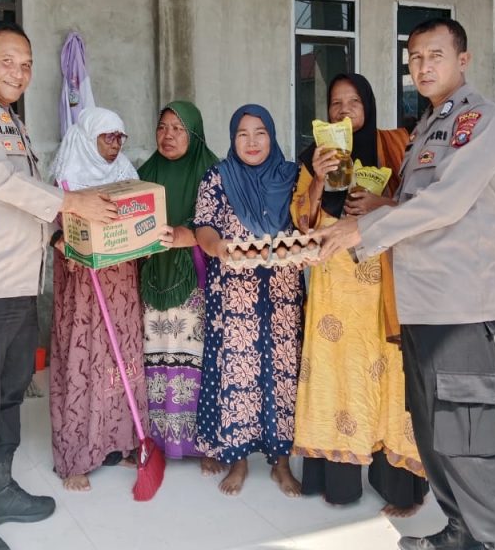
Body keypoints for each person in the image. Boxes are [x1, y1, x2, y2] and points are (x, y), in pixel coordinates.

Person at [317, 18, 495, 550]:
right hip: (416, 305)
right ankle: (460, 533)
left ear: (463, 60)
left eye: (436, 55)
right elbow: (416, 206)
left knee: (468, 438)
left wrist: (363, 228)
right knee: (434, 434)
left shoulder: (480, 121)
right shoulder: (429, 127)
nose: (424, 66)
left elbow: (447, 203)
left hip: (456, 307)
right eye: (414, 58)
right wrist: (383, 204)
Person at [0, 20, 118, 550]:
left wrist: (58, 234)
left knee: (9, 396)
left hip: (16, 286)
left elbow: (22, 199)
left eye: (27, 65)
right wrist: (72, 204)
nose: (19, 73)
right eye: (7, 62)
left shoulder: (9, 120)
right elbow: (1, 183)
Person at [291, 74, 427, 513]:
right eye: (335, 103)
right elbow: (302, 222)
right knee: (337, 374)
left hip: (385, 286)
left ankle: (398, 487)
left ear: (368, 105)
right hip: (334, 289)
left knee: (390, 376)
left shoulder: (396, 144)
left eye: (353, 101)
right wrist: (317, 178)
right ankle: (339, 483)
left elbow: (423, 205)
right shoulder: (314, 156)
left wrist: (378, 205)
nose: (344, 110)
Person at [193, 104, 304, 497]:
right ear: (232, 138)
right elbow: (203, 226)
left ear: (272, 136)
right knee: (237, 374)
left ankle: (281, 464)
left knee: (283, 374)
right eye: (243, 134)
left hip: (282, 294)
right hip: (234, 295)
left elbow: (308, 219)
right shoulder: (219, 176)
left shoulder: (291, 175)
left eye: (260, 133)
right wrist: (218, 247)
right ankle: (237, 459)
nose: (252, 141)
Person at [48, 107, 150, 491]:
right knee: (85, 358)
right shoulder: (66, 176)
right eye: (108, 136)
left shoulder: (124, 172)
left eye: (120, 137)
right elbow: (47, 224)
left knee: (120, 361)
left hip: (120, 283)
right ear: (89, 138)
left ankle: (118, 444)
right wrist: (62, 240)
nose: (115, 144)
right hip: (83, 286)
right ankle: (76, 456)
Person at [136, 101, 222, 473]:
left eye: (177, 128)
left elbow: (224, 221)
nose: (168, 135)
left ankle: (204, 442)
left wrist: (191, 234)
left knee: (198, 356)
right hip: (154, 275)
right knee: (156, 353)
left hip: (196, 278)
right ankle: (158, 439)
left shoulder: (212, 172)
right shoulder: (145, 173)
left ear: (194, 133)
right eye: (162, 127)